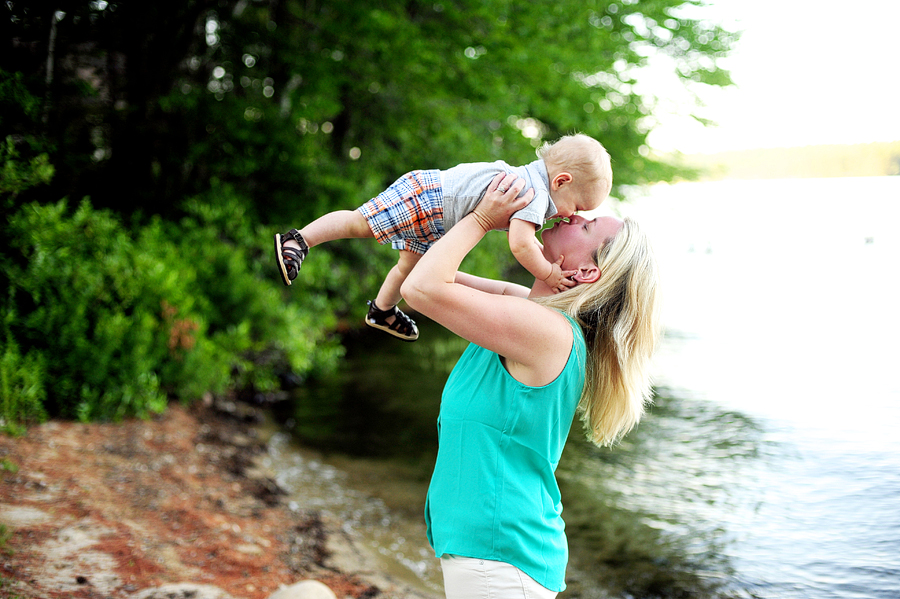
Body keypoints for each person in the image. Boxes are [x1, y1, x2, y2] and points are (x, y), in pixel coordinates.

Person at [400, 172, 661, 598]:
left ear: (587, 270)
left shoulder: (547, 333)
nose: (574, 216)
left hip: (501, 560)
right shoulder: (527, 312)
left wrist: (485, 219)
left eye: (588, 226)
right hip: (490, 553)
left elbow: (421, 289)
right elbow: (425, 271)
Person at [274, 134, 613, 342]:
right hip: (430, 198)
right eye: (578, 206)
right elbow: (522, 244)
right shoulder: (533, 194)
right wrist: (549, 274)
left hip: (439, 220)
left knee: (409, 266)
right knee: (358, 223)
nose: (572, 216)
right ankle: (300, 240)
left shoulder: (531, 186)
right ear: (561, 181)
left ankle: (382, 310)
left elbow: (528, 240)